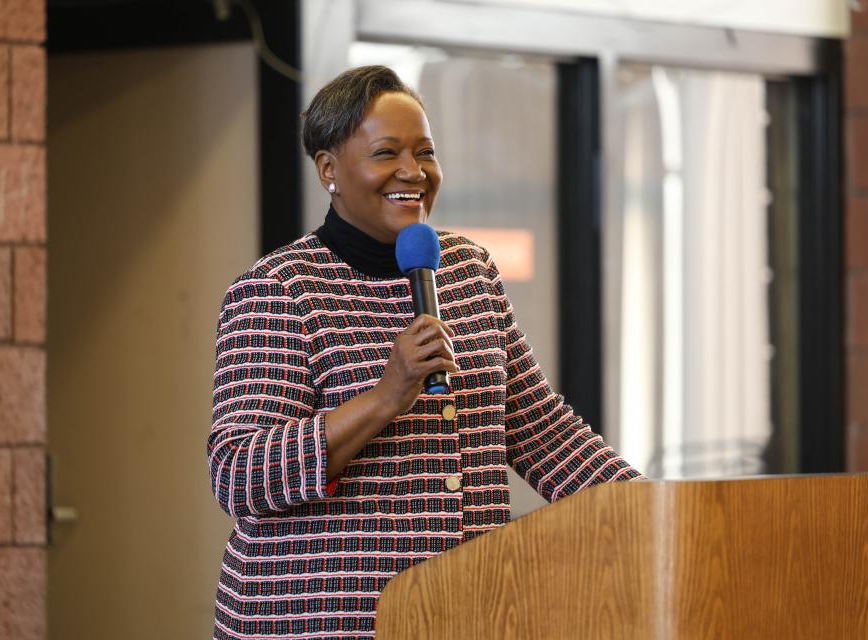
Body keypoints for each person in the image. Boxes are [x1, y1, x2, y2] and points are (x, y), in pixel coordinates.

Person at [208, 65, 642, 640]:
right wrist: (387, 395)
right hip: (321, 620)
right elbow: (239, 476)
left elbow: (540, 429)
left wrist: (651, 510)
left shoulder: (467, 271)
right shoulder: (279, 289)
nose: (413, 173)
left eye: (425, 152)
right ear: (329, 169)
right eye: (387, 153)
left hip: (465, 609)